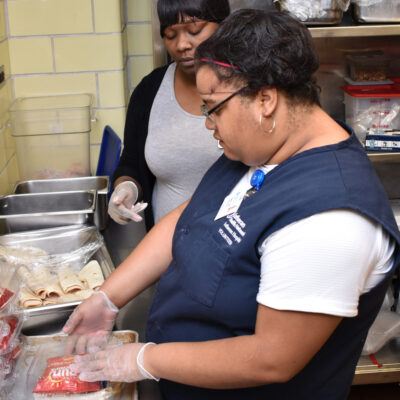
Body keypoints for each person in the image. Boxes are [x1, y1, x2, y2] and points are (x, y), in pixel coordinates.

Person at [64, 9, 400, 400]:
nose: (209, 123)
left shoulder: (331, 219)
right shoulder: (262, 148)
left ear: (265, 100)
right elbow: (185, 218)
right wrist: (106, 298)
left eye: (214, 107)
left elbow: (270, 358)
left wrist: (144, 360)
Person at [108, 0, 230, 231]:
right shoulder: (150, 90)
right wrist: (126, 189)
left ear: (223, 26)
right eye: (170, 35)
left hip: (234, 252)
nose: (181, 44)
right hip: (166, 250)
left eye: (194, 31)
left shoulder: (248, 89)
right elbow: (132, 161)